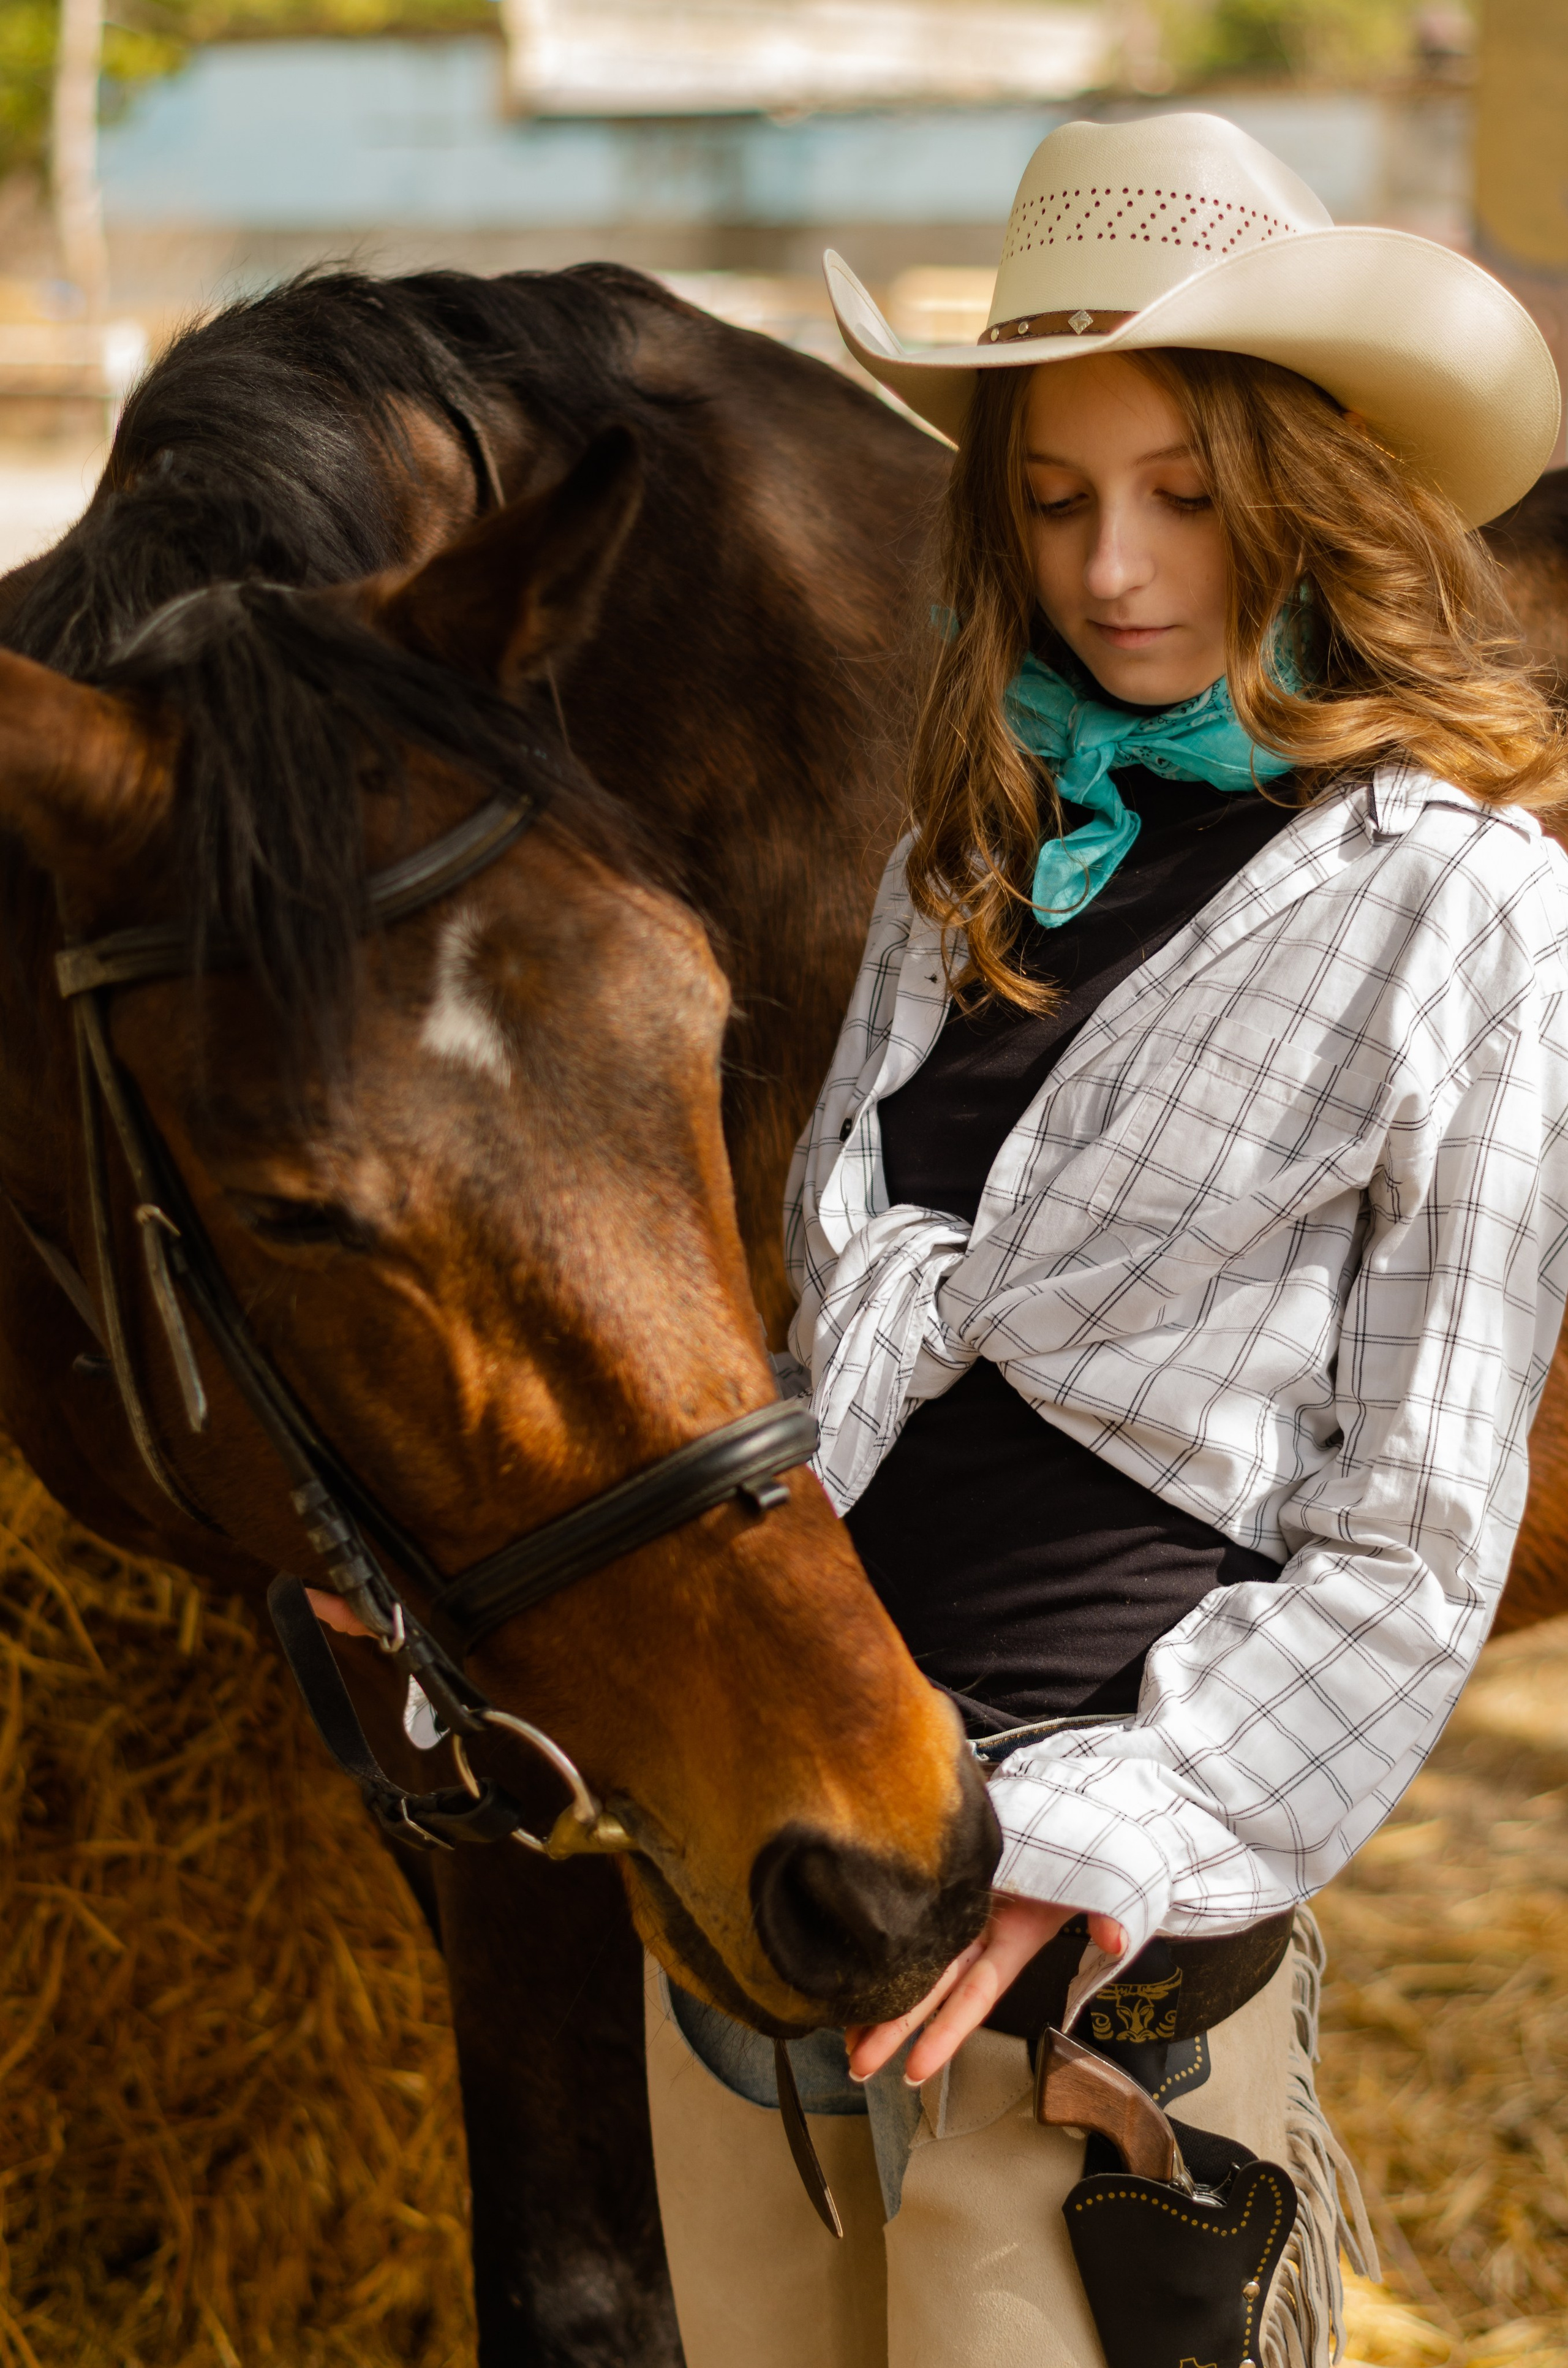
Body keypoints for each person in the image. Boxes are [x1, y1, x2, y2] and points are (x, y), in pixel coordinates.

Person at [643, 111, 1568, 2368]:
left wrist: (1138, 1816)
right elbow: (830, 1338)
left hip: (1093, 1928)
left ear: (1306, 488)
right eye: (1054, 502)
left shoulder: (1460, 901)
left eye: (1182, 493)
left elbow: (1421, 1522)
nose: (1118, 569)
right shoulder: (954, 864)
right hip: (778, 1878)